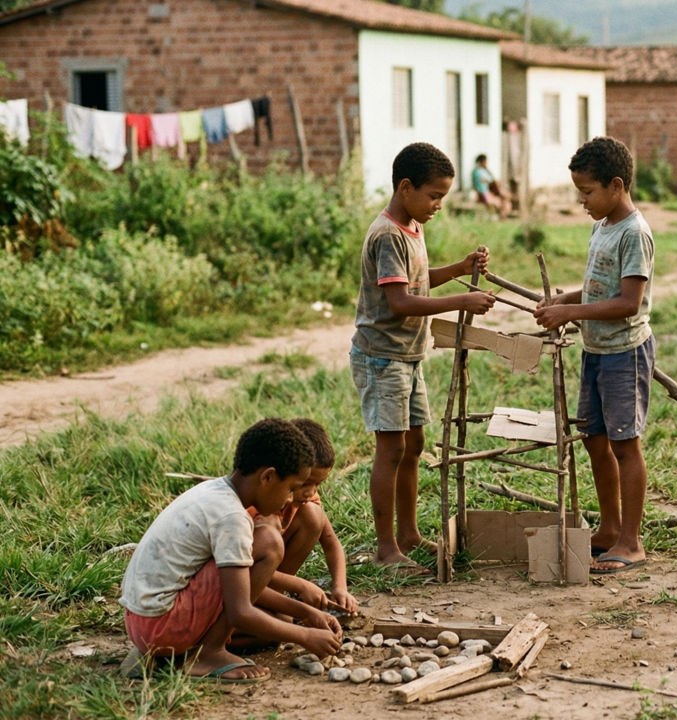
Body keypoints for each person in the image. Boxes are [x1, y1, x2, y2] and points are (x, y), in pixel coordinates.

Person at [351, 142, 495, 571]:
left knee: (413, 445)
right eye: (434, 196)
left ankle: (409, 534)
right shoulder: (388, 233)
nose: (438, 206)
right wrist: (459, 303)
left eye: (442, 198)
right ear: (406, 186)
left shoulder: (412, 227)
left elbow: (417, 280)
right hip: (383, 357)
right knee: (391, 450)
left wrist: (458, 267)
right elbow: (401, 301)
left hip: (408, 355)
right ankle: (385, 548)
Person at [119, 419, 343, 682]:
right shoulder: (232, 517)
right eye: (291, 488)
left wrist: (306, 612)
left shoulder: (215, 491)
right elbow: (240, 610)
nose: (291, 498)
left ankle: (189, 651)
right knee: (269, 544)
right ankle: (208, 653)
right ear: (268, 477)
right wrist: (304, 636)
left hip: (141, 622)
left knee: (274, 624)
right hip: (162, 627)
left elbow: (240, 591)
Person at [533, 136, 655, 576]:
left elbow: (627, 302)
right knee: (594, 439)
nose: (582, 201)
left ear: (617, 185)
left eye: (588, 192)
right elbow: (600, 289)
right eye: (579, 192)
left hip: (625, 353)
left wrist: (571, 311)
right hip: (596, 350)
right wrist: (564, 300)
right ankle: (608, 528)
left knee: (624, 444)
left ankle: (631, 540)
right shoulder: (602, 226)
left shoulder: (634, 233)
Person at [247, 419, 358, 615]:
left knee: (314, 515)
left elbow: (332, 545)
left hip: (271, 579)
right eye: (304, 483)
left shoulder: (307, 499)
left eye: (318, 484)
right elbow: (241, 571)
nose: (311, 492)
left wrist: (340, 588)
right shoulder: (256, 508)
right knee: (282, 625)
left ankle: (276, 595)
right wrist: (300, 587)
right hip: (243, 585)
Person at [472, 154, 510, 218]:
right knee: (499, 202)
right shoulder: (478, 171)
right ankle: (499, 215)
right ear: (482, 162)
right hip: (483, 193)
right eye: (485, 162)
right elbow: (489, 181)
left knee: (504, 198)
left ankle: (501, 214)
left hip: (487, 191)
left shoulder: (481, 171)